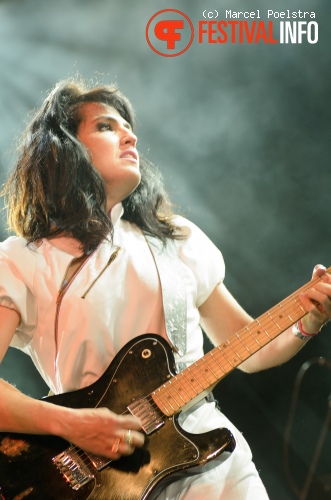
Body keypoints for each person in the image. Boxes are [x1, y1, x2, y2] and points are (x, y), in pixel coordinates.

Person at [0, 79, 330, 500]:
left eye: (128, 126)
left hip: (209, 455)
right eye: (105, 126)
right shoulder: (23, 260)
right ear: (65, 150)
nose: (130, 135)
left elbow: (248, 347)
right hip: (99, 479)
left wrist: (308, 319)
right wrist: (71, 424)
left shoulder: (177, 239)